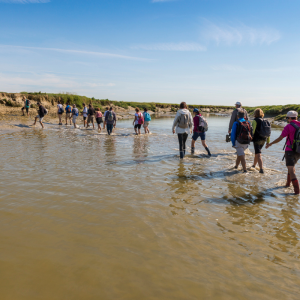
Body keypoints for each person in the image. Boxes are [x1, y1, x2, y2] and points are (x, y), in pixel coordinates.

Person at [266, 111, 300, 194]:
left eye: (287, 118)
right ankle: (287, 184)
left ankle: (297, 191)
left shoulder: (288, 126)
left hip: (289, 151)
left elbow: (280, 138)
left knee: (291, 170)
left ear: (288, 118)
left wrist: (270, 144)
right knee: (291, 168)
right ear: (296, 117)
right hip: (299, 151)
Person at [251, 108, 271, 174]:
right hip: (264, 139)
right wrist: (268, 142)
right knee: (257, 153)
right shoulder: (266, 121)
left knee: (258, 154)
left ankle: (261, 169)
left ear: (255, 114)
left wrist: (249, 138)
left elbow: (252, 131)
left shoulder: (255, 120)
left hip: (257, 139)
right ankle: (253, 165)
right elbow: (268, 132)